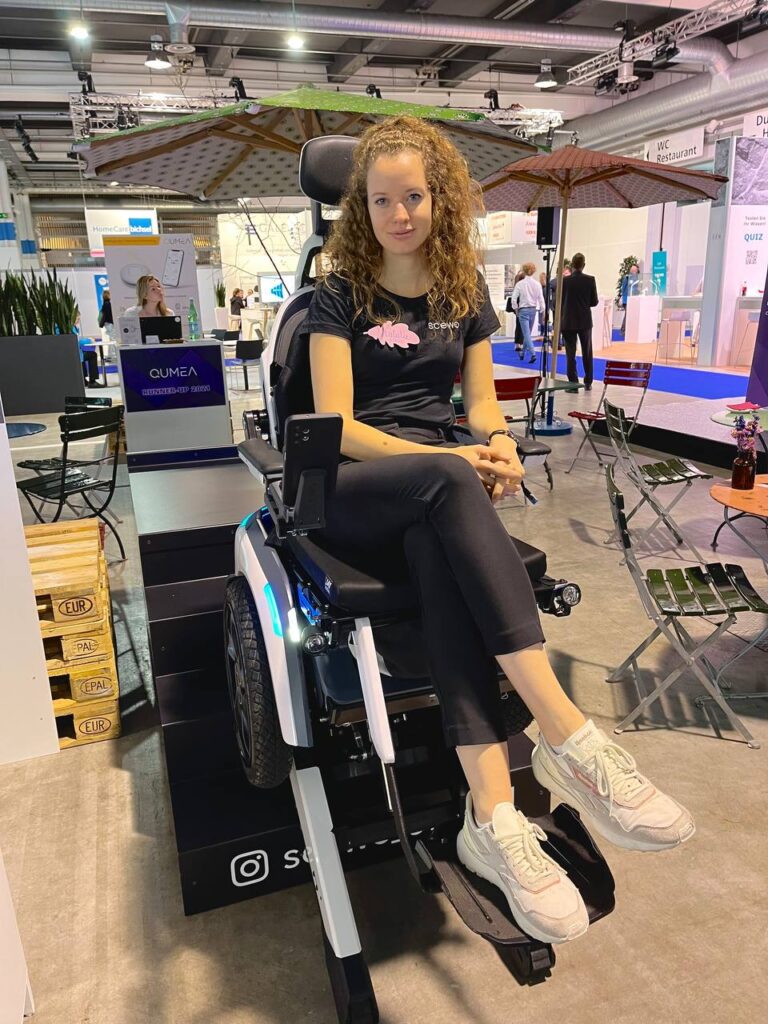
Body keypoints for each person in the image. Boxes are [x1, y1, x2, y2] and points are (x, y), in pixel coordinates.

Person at [305, 115, 694, 948]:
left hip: (431, 495)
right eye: (381, 200)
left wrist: (502, 444)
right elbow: (335, 425)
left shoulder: (462, 293)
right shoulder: (335, 295)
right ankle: (568, 735)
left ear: (439, 197)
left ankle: (493, 821)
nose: (399, 214)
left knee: (441, 553)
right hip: (351, 486)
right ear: (361, 208)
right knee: (448, 478)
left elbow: (479, 406)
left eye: (413, 196)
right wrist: (450, 459)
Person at [561, 252, 598, 392]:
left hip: (568, 321)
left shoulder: (565, 281)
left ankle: (573, 384)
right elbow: (593, 302)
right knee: (587, 351)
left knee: (570, 353)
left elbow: (560, 301)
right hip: (584, 321)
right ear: (583, 265)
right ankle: (588, 381)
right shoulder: (590, 280)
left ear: (572, 265)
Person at [510, 262, 544, 365]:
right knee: (527, 333)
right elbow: (541, 299)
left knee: (526, 334)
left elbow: (514, 299)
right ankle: (522, 353)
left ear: (524, 271)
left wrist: (515, 309)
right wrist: (543, 309)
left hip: (523, 310)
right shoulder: (537, 284)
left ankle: (533, 354)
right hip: (533, 310)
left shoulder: (520, 284)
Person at [620, 264, 640, 334]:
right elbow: (623, 288)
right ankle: (623, 330)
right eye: (632, 270)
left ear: (637, 271)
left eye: (634, 270)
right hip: (627, 300)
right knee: (627, 314)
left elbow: (638, 289)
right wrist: (623, 298)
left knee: (631, 315)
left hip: (635, 300)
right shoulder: (627, 277)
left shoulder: (638, 278)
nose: (633, 271)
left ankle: (629, 329)